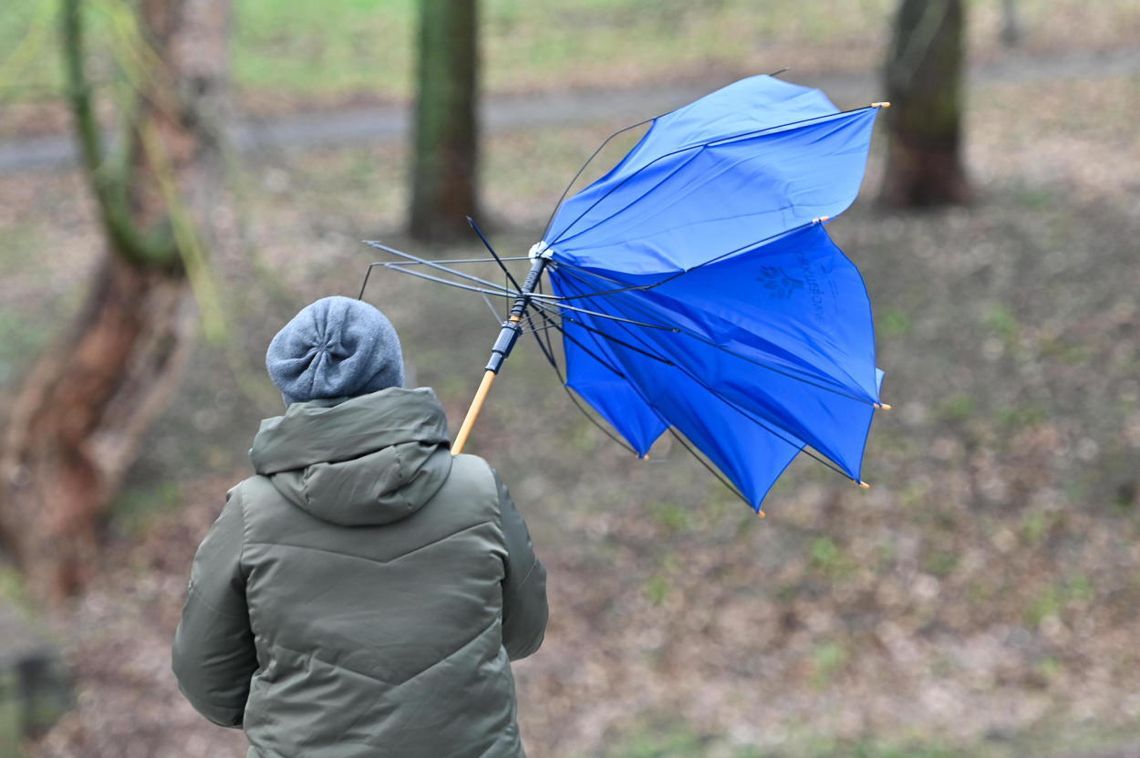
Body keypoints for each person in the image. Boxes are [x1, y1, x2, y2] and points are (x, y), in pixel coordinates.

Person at [172, 296, 548, 758]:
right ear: (392, 375)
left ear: (291, 387)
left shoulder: (251, 512)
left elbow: (207, 678)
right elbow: (524, 632)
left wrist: (294, 706)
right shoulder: (476, 487)